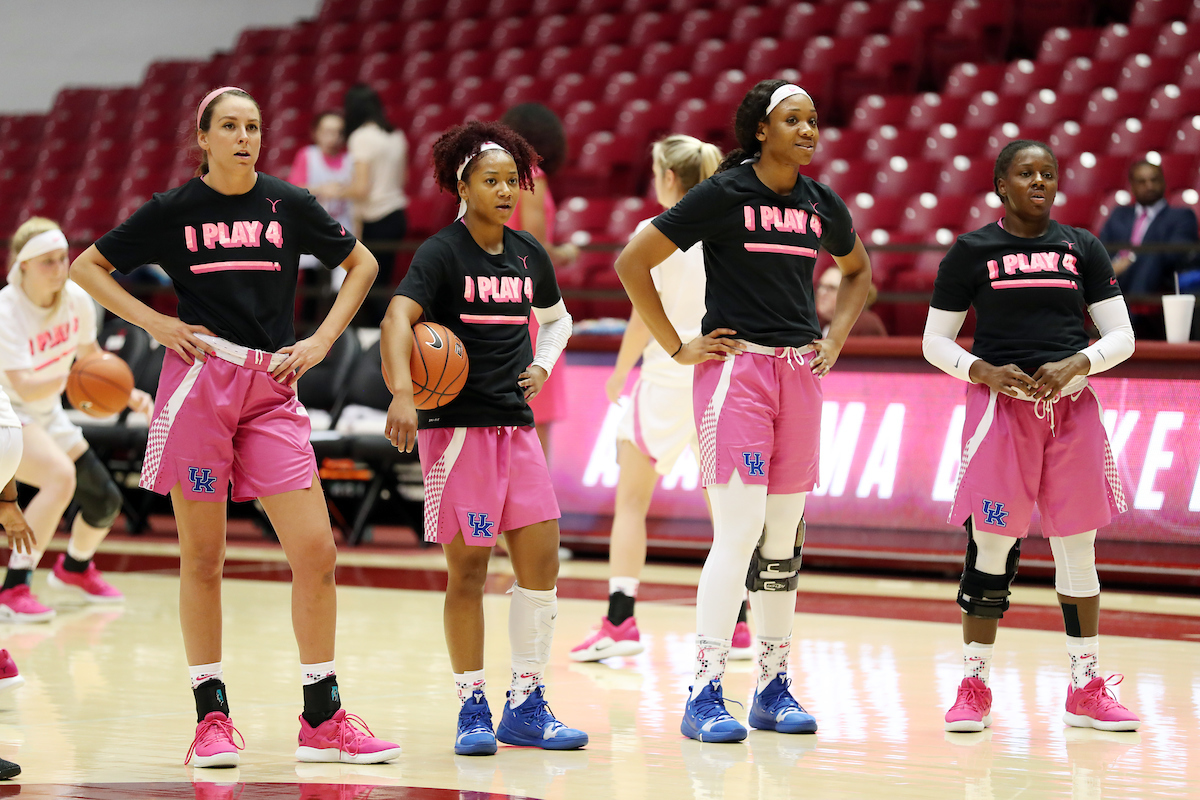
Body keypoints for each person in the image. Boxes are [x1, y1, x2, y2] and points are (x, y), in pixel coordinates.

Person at [69, 86, 400, 767]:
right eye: (230, 126)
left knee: (316, 551)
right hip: (200, 382)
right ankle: (211, 717)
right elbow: (87, 267)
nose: (244, 136)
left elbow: (362, 263)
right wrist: (155, 322)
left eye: (252, 126)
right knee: (204, 559)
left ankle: (322, 717)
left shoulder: (289, 204)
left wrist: (323, 340)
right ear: (205, 137)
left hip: (273, 384)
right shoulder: (174, 210)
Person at [615, 80, 873, 742]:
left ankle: (772, 685)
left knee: (783, 542)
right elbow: (632, 261)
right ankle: (703, 689)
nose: (809, 130)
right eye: (794, 120)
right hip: (737, 375)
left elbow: (859, 273)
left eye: (814, 120)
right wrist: (677, 346)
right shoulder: (726, 193)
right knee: (739, 532)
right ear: (760, 130)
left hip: (799, 376)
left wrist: (836, 338)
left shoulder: (821, 202)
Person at [380, 120, 586, 755]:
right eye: (491, 181)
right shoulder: (441, 253)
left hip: (515, 428)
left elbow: (557, 319)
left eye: (511, 181)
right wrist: (403, 394)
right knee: (467, 574)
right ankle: (472, 705)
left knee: (541, 566)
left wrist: (544, 365)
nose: (504, 191)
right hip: (457, 433)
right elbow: (397, 318)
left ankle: (526, 702)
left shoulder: (529, 253)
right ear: (461, 184)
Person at [923, 140, 1139, 733]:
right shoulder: (971, 251)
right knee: (991, 549)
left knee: (1078, 547)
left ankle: (1085, 686)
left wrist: (1079, 364)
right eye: (1026, 173)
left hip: (1072, 411)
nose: (1039, 181)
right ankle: (974, 684)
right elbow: (933, 342)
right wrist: (983, 370)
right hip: (999, 412)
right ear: (1001, 185)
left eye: (1048, 173)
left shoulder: (1082, 247)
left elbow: (1122, 336)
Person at [570, 134, 757, 663]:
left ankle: (621, 619)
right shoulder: (729, 224)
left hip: (666, 375)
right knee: (725, 511)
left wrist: (620, 370)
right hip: (717, 374)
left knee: (631, 504)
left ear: (669, 179)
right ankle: (740, 625)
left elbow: (639, 309)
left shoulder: (654, 232)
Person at [0, 218, 152, 622]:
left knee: (104, 501)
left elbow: (90, 356)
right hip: (7, 413)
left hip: (45, 411)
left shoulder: (77, 299)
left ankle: (75, 567)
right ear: (23, 265)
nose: (59, 268)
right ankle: (13, 587)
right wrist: (75, 378)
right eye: (47, 261)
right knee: (59, 477)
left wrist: (125, 394)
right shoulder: (6, 310)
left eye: (62, 259)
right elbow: (26, 387)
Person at [499, 103, 579, 458]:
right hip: (530, 299)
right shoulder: (531, 175)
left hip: (499, 292)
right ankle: (535, 504)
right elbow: (534, 245)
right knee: (535, 407)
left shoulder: (497, 175)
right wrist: (566, 253)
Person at [344, 84, 408, 323]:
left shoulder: (361, 137)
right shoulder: (395, 135)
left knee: (370, 287)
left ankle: (391, 337)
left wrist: (332, 189)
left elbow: (361, 188)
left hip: (376, 218)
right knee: (381, 284)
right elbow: (404, 179)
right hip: (397, 214)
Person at [289, 110, 355, 291]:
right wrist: (321, 189)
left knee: (342, 285)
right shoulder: (307, 155)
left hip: (343, 228)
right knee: (311, 282)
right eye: (327, 131)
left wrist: (342, 191)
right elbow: (294, 187)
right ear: (316, 133)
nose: (333, 137)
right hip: (312, 227)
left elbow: (359, 193)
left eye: (338, 132)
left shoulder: (351, 159)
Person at [816, 265, 887, 337]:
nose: (821, 292)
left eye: (831, 288)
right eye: (820, 286)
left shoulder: (866, 325)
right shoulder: (820, 324)